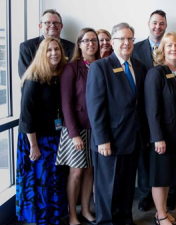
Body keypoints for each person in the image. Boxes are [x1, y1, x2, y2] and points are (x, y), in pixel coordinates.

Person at [86, 22, 148, 225]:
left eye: (130, 38)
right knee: (107, 188)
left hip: (133, 139)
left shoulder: (139, 67)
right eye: (122, 38)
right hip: (109, 141)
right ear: (112, 42)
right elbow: (95, 107)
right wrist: (102, 139)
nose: (127, 42)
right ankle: (106, 222)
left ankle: (124, 220)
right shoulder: (99, 67)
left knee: (127, 186)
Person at [16, 37, 67, 225]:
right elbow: (27, 116)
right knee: (39, 181)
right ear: (42, 54)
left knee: (53, 179)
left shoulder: (58, 77)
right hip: (35, 139)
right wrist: (34, 146)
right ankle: (39, 219)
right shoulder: (33, 78)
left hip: (53, 137)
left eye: (57, 50)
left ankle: (53, 217)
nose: (54, 53)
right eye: (49, 50)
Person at [145, 32, 176, 225]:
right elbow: (152, 108)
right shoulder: (155, 73)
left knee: (168, 177)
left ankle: (162, 212)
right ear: (162, 50)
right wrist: (158, 138)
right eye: (169, 46)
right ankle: (161, 216)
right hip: (162, 137)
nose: (173, 48)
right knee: (160, 177)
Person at [56, 27, 100, 225]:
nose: (91, 44)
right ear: (80, 44)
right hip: (76, 129)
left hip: (95, 129)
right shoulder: (71, 68)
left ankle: (86, 211)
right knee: (76, 173)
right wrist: (74, 134)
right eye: (86, 40)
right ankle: (73, 213)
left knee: (90, 171)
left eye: (94, 40)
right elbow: (66, 103)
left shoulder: (101, 65)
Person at [132, 10, 174, 212]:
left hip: (167, 112)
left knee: (167, 154)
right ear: (148, 23)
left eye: (162, 23)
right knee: (144, 155)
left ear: (166, 25)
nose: (158, 27)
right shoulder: (135, 48)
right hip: (141, 109)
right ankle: (146, 195)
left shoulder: (172, 47)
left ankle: (169, 193)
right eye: (155, 23)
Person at [18, 9, 74, 78]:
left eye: (56, 23)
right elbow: (25, 76)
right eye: (48, 22)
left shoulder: (72, 47)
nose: (52, 25)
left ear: (61, 26)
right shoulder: (27, 47)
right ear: (40, 26)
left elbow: (74, 75)